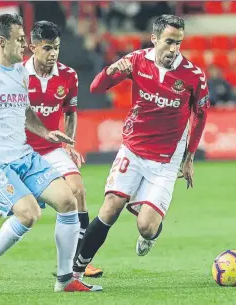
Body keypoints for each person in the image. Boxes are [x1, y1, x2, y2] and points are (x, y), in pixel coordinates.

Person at [0, 14, 101, 295]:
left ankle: (65, 280)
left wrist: (46, 133)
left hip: (24, 155)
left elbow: (25, 111)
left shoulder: (19, 73)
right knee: (29, 214)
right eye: (20, 40)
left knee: (68, 200)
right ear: (2, 42)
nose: (26, 45)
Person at [72, 15, 210, 282]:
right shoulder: (136, 61)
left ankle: (151, 233)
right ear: (154, 38)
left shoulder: (193, 75)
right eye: (169, 42)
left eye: (179, 43)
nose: (174, 49)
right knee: (111, 206)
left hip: (166, 161)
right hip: (133, 151)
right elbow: (96, 86)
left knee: (146, 227)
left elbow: (200, 115)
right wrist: (114, 69)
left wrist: (189, 157)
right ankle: (75, 273)